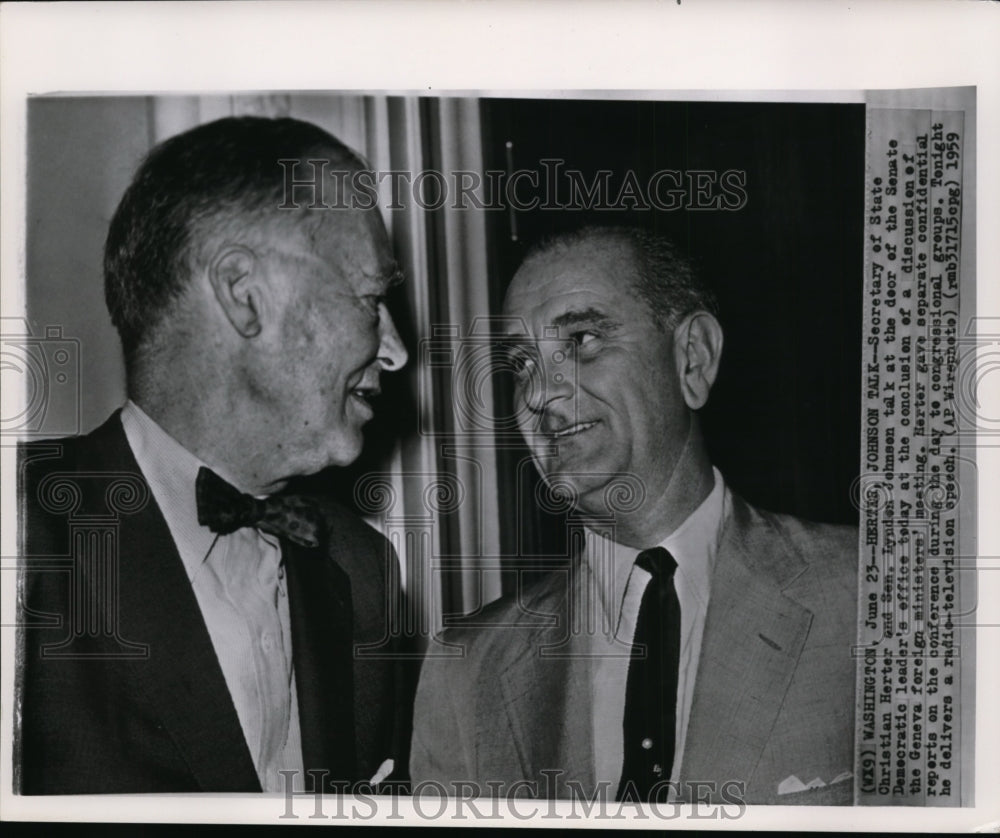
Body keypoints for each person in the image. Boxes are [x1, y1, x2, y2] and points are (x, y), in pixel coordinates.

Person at [17, 116, 410, 794]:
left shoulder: (362, 568)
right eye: (372, 299)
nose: (397, 350)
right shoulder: (22, 532)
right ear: (243, 294)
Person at [410, 226, 858, 805]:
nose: (540, 393)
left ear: (692, 359)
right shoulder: (465, 672)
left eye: (583, 339)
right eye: (521, 365)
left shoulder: (875, 596)